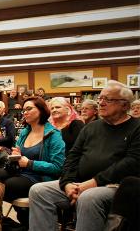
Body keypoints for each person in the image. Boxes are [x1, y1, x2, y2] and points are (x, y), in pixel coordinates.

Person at [29, 80, 140, 231]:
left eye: (108, 99)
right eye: (100, 98)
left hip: (115, 186)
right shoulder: (91, 128)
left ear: (125, 105)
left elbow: (131, 162)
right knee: (38, 191)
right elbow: (72, 157)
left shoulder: (136, 128)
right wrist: (67, 183)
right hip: (79, 183)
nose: (101, 103)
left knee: (89, 198)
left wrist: (92, 183)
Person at [0, 96, 65, 230]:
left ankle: (1, 221)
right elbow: (17, 157)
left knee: (7, 185)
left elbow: (58, 167)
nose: (25, 112)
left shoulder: (53, 134)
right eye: (24, 110)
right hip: (20, 172)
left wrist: (30, 163)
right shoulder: (24, 132)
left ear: (41, 110)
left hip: (38, 178)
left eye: (29, 109)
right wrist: (15, 156)